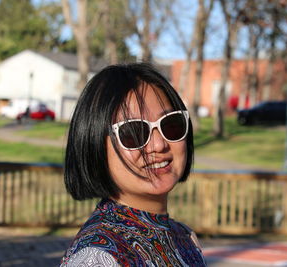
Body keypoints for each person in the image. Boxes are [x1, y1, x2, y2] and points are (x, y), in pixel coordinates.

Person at [60, 63, 207, 266]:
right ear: (94, 145)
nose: (159, 144)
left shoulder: (183, 237)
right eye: (133, 132)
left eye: (170, 125)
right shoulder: (98, 258)